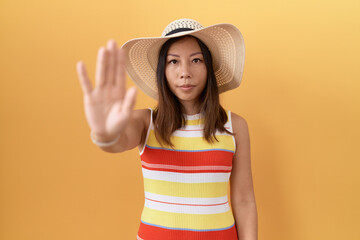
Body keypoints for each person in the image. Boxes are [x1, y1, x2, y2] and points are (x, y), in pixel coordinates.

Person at [76, 18, 258, 240]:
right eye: (173, 62)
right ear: (162, 70)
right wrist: (104, 133)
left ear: (209, 68)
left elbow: (244, 200)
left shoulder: (234, 126)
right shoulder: (145, 122)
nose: (185, 72)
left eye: (196, 60)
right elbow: (118, 140)